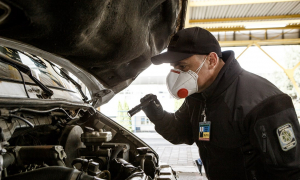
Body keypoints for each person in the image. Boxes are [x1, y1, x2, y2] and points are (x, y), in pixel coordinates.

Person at [140, 27, 300, 180]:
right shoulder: (197, 97)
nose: (176, 75)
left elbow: (290, 173)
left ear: (211, 60)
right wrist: (158, 116)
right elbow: (181, 133)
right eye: (174, 68)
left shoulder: (265, 103)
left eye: (182, 67)